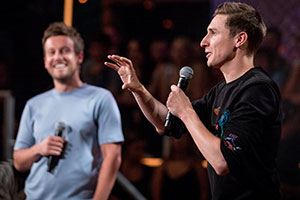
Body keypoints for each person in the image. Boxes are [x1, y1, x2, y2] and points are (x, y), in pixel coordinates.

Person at [105, 2, 282, 199]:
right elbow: (167, 123)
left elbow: (223, 162)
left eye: (213, 33)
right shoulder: (221, 90)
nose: (203, 42)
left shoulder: (257, 90)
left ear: (239, 39)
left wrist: (187, 112)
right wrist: (138, 90)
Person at [13, 22, 124, 200]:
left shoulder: (100, 99)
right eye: (52, 52)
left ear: (79, 57)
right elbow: (19, 161)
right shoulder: (34, 104)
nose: (58, 57)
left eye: (65, 50)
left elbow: (113, 157)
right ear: (45, 61)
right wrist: (39, 149)